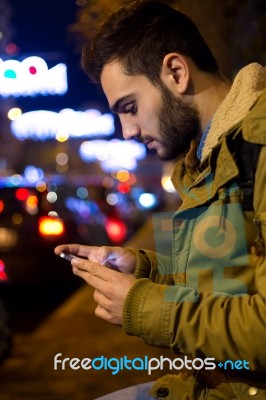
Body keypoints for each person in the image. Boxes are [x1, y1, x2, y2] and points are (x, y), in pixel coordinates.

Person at [55, 1, 266, 398]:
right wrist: (143, 270)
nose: (127, 132)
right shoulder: (204, 161)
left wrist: (141, 306)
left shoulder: (257, 146)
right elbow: (230, 280)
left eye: (129, 108)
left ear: (176, 72)